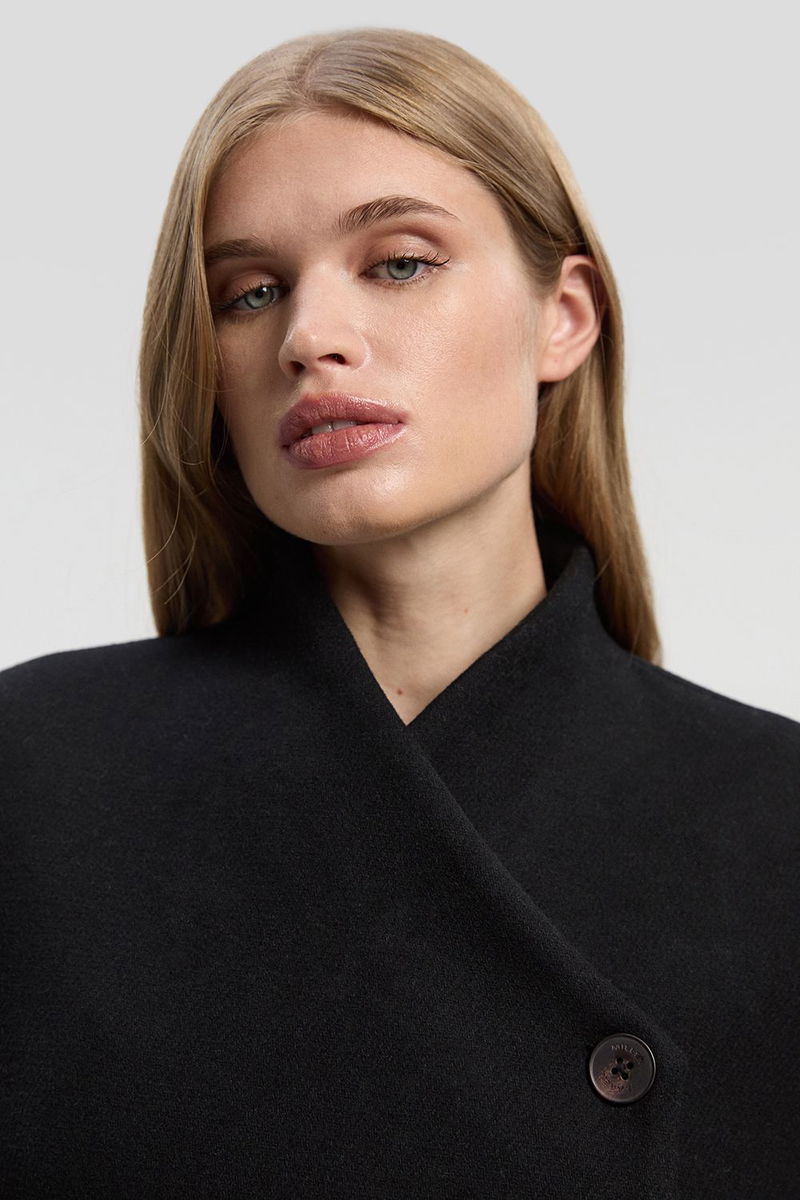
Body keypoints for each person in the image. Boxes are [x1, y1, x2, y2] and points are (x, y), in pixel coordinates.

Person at [1, 26, 798, 1199]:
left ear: (562, 316)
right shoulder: (37, 776)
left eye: (398, 264)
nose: (309, 338)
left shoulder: (769, 819)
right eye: (249, 292)